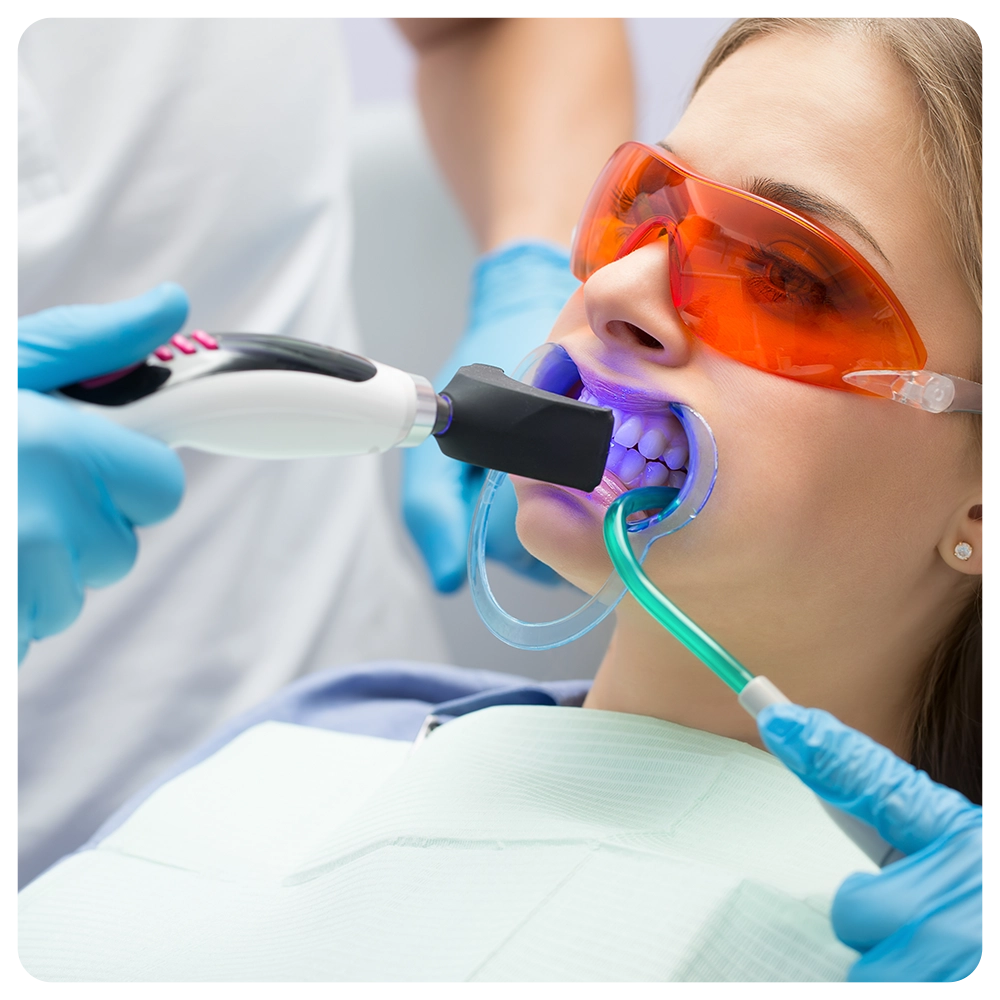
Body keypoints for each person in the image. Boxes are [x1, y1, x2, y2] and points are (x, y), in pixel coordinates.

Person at [16, 16, 987, 984]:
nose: (621, 286)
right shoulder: (333, 727)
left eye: (780, 272)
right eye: (641, 205)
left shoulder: (929, 947)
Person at [15, 16, 634, 888]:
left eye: (791, 279)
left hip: (365, 753)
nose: (624, 285)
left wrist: (531, 264)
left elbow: (485, 26)